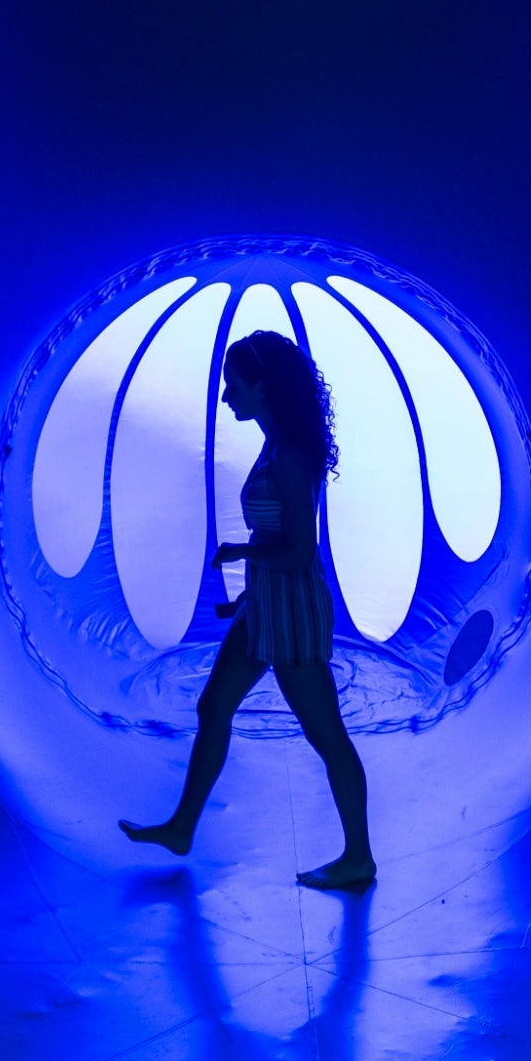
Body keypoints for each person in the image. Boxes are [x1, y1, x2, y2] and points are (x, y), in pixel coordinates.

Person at [121, 330, 377, 890]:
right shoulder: (273, 444)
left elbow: (300, 551)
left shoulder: (288, 458)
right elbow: (280, 543)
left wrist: (240, 550)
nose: (226, 397)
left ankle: (358, 856)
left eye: (233, 386)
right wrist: (243, 594)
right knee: (214, 706)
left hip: (291, 613)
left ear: (264, 387)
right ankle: (182, 826)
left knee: (327, 734)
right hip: (262, 604)